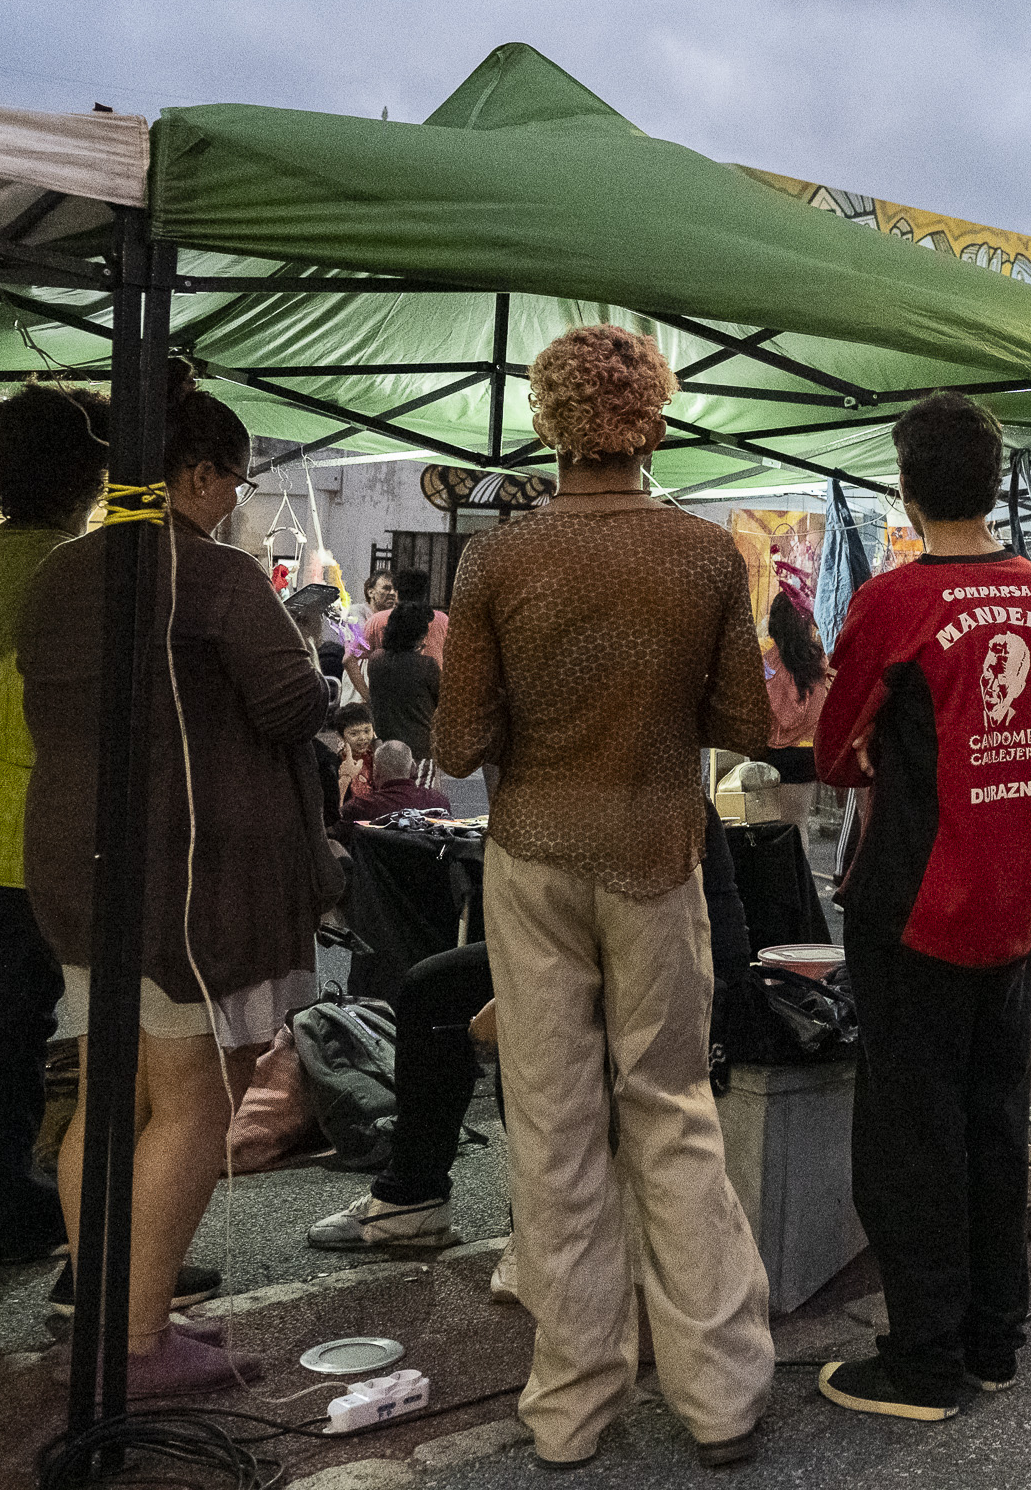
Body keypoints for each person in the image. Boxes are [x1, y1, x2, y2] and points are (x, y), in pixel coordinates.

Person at [431, 325, 776, 1471]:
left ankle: (572, 1403)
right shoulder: (708, 554)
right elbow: (745, 722)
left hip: (532, 849)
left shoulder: (497, 559)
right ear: (653, 416)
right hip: (657, 849)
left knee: (553, 1124)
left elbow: (460, 740)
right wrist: (658, 699)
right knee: (672, 1108)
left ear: (549, 419)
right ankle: (719, 1392)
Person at [22, 374, 338, 1393]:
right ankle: (139, 1337)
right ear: (198, 474)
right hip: (187, 873)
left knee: (106, 1095)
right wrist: (316, 662)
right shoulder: (212, 573)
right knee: (195, 1098)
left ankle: (107, 1325)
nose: (236, 499)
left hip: (76, 858)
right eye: (234, 480)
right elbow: (289, 705)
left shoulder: (63, 570)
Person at [813, 390, 1031, 1424]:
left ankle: (925, 1362)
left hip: (916, 895)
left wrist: (887, 754)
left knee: (910, 1132)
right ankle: (991, 1338)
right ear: (995, 485)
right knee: (994, 1116)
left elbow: (835, 747)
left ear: (907, 489)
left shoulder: (895, 599)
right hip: (1009, 891)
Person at [307, 807, 751, 1265]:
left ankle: (543, 1229)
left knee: (535, 1033)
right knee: (431, 989)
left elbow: (635, 937)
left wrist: (517, 997)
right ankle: (415, 1197)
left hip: (667, 967)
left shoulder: (627, 792)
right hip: (596, 944)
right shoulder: (571, 790)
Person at [0, 385, 111, 1268]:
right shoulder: (62, 567)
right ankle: (6, 1205)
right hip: (30, 817)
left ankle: (1, 1198)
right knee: (24, 1021)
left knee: (5, 1016)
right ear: (87, 472)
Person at [758, 589, 831, 795]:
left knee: (768, 815)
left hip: (770, 755)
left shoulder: (764, 658)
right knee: (801, 817)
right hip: (808, 754)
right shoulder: (819, 661)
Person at [364, 600, 441, 770]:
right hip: (419, 750)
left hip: (385, 747)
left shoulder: (376, 660)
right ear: (418, 636)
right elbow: (441, 701)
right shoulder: (427, 665)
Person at [341, 740, 449, 824]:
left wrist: (345, 778)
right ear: (413, 768)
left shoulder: (360, 807)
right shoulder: (439, 804)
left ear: (375, 772)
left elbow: (334, 829)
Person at [338, 570, 398, 699]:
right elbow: (363, 641)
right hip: (359, 685)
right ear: (370, 592)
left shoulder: (394, 615)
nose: (392, 593)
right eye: (386, 588)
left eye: (395, 589)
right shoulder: (356, 611)